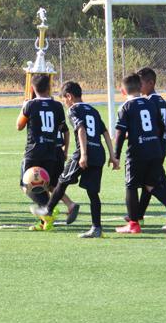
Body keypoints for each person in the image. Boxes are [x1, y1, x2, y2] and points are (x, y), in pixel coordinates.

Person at [32, 81, 117, 237]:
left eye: (64, 99)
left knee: (62, 180)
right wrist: (113, 156)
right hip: (99, 153)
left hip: (84, 153)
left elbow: (81, 129)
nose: (64, 103)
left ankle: (47, 210)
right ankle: (96, 228)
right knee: (93, 193)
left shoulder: (73, 110)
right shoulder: (93, 110)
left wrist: (83, 154)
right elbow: (105, 133)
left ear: (69, 96)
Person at [17, 74, 79, 226]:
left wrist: (23, 107)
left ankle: (47, 210)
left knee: (26, 184)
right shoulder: (57, 106)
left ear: (32, 88)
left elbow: (19, 126)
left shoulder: (30, 105)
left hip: (34, 151)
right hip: (51, 151)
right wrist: (65, 149)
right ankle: (69, 204)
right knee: (50, 184)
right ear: (49, 88)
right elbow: (63, 129)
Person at [114, 73, 166, 234]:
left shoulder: (125, 107)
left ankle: (133, 224)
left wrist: (115, 156)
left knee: (131, 186)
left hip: (137, 152)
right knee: (150, 184)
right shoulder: (150, 103)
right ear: (140, 87)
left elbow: (120, 134)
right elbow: (161, 126)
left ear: (123, 91)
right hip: (156, 149)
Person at [134, 67, 166, 234]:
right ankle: (139, 216)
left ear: (151, 83)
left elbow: (154, 127)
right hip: (160, 147)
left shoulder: (149, 102)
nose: (138, 86)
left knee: (148, 183)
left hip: (152, 148)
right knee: (157, 180)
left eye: (140, 83)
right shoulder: (161, 100)